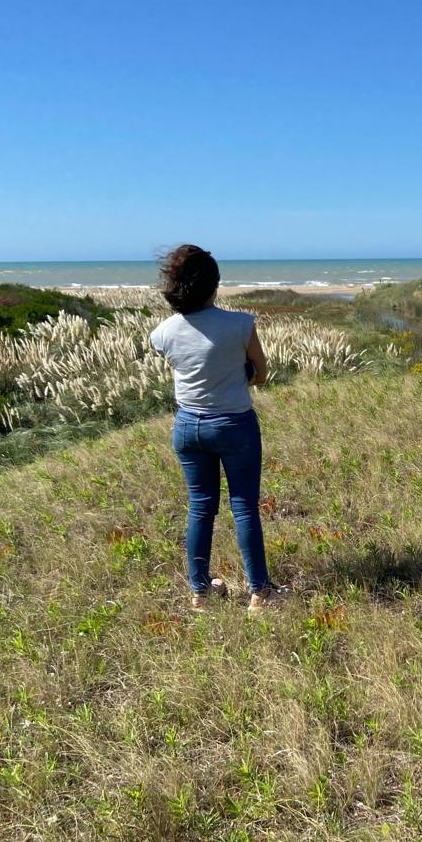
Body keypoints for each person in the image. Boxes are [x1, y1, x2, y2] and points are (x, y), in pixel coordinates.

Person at [149, 244, 284, 611]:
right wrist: (238, 374)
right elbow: (261, 374)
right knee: (244, 507)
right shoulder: (241, 324)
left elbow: (186, 366)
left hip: (188, 426)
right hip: (234, 425)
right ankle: (260, 592)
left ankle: (201, 593)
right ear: (214, 285)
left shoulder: (162, 333)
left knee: (200, 507)